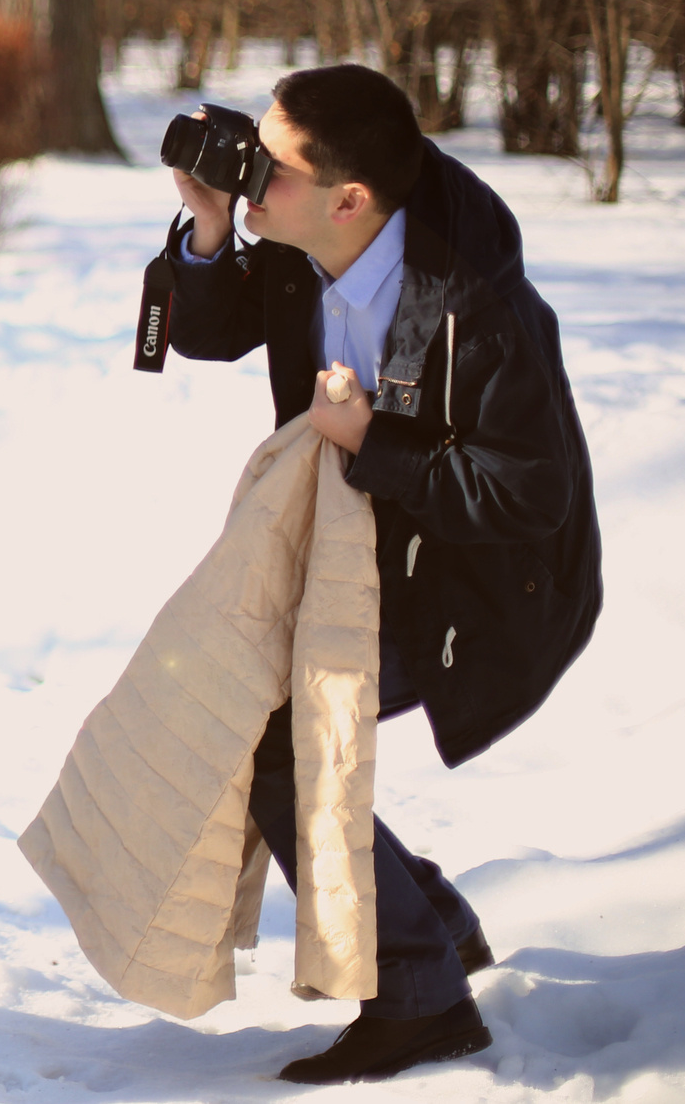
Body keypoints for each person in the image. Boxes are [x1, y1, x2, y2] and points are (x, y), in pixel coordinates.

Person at [162, 63, 602, 1084]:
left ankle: (420, 996)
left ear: (349, 198)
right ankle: (434, 922)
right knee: (254, 719)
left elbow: (531, 494)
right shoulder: (298, 242)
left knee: (276, 736)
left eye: (265, 169)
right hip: (368, 559)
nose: (244, 175)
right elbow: (207, 331)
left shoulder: (475, 309)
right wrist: (212, 226)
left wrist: (373, 446)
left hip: (487, 588)